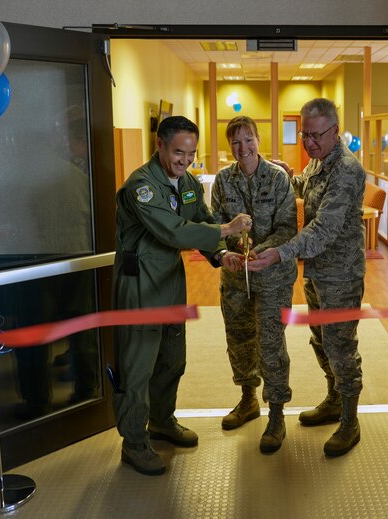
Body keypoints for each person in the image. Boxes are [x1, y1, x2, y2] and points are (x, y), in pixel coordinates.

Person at [112, 115, 251, 476]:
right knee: (138, 365)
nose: (185, 161)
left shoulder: (187, 182)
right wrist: (227, 228)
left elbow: (200, 219)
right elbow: (173, 231)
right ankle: (134, 442)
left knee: (172, 357)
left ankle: (161, 422)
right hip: (140, 282)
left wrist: (222, 253)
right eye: (178, 153)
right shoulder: (141, 186)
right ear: (159, 145)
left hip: (170, 279)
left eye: (190, 154)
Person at [248, 98, 366, 457]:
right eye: (304, 134)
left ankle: (350, 420)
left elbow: (323, 228)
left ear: (334, 131)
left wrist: (280, 252)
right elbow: (308, 189)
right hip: (317, 272)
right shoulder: (320, 161)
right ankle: (333, 399)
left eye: (315, 135)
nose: (308, 142)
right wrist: (290, 175)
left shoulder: (346, 168)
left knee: (341, 348)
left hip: (341, 275)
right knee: (320, 340)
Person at [211, 116, 298, 453]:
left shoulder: (277, 179)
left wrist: (258, 253)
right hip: (235, 276)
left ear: (258, 140)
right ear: (229, 145)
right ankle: (248, 399)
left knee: (270, 343)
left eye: (248, 140)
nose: (242, 148)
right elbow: (213, 224)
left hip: (272, 275)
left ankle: (276, 414)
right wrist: (222, 253)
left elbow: (288, 227)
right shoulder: (222, 180)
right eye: (235, 142)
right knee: (239, 338)